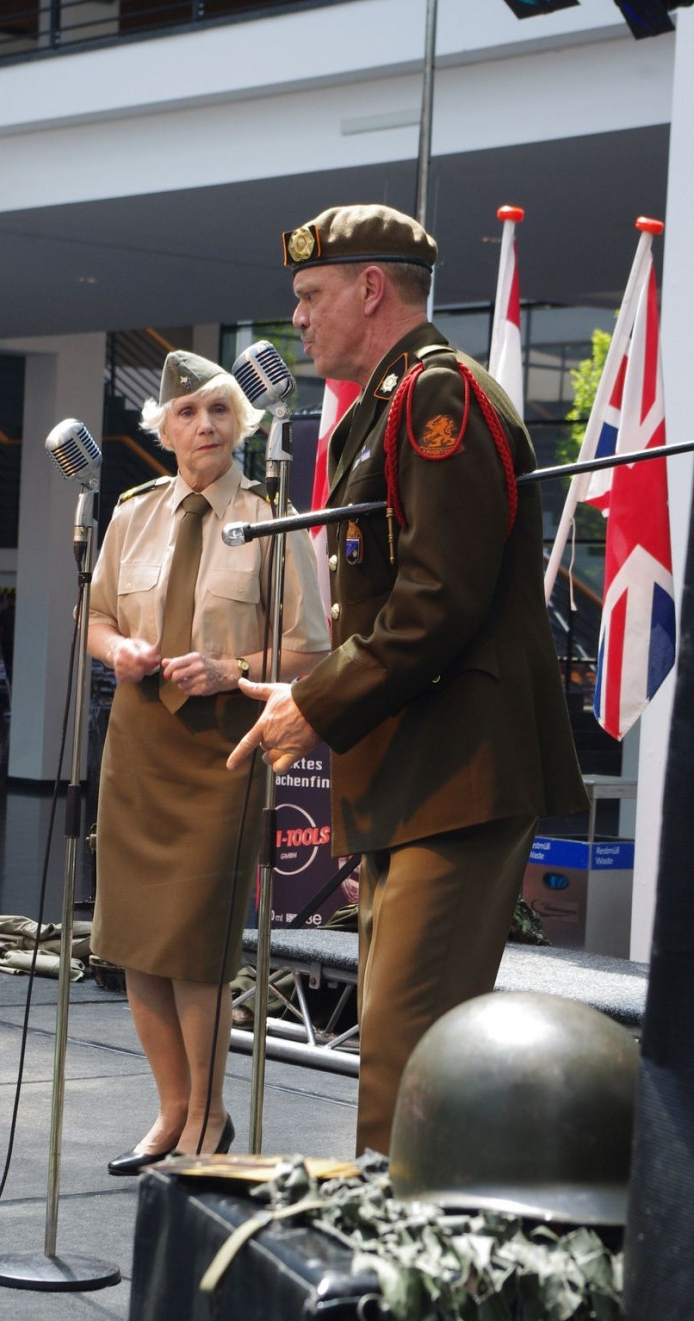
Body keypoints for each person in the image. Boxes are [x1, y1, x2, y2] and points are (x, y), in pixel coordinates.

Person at [228, 204, 589, 1156]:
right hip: (420, 778)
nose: (296, 320)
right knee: (401, 1052)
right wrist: (313, 694)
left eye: (310, 297)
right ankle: (394, 1268)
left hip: (455, 777)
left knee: (412, 1062)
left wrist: (315, 704)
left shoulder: (438, 398)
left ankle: (403, 1287)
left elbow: (438, 598)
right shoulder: (395, 401)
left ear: (371, 289)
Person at [87, 349, 329, 1174]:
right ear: (165, 429)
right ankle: (170, 1112)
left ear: (243, 423)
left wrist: (234, 669)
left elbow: (313, 653)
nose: (206, 427)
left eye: (220, 411)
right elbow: (96, 620)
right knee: (134, 944)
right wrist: (119, 649)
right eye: (188, 414)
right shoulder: (131, 513)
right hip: (141, 739)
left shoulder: (272, 516)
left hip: (224, 746)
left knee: (195, 947)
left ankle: (211, 1118)